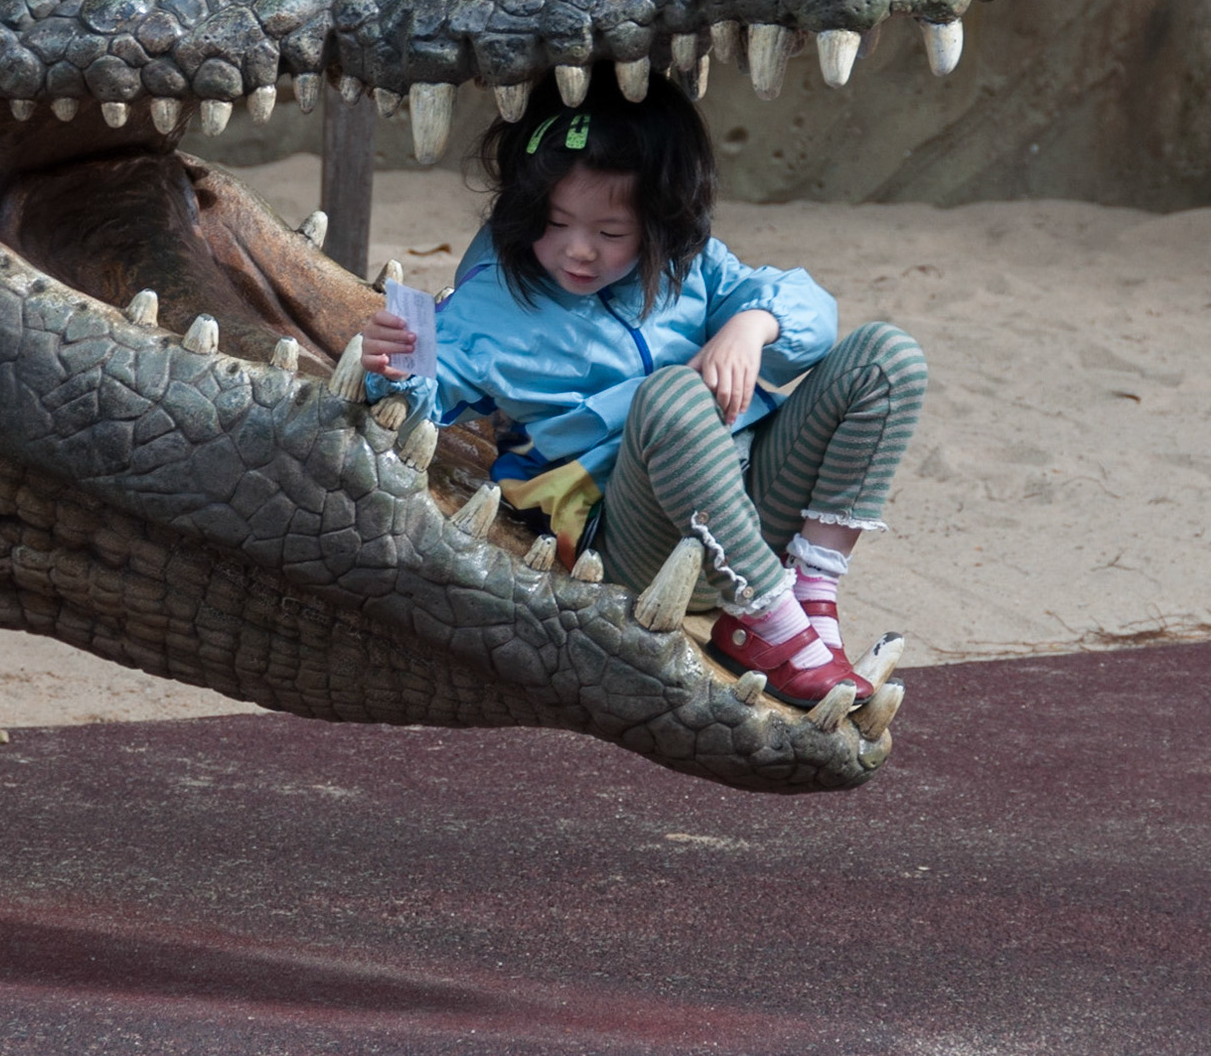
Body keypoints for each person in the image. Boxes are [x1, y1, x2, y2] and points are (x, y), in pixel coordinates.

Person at [358, 70, 926, 708]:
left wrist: (750, 325)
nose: (578, 251)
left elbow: (809, 313)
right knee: (672, 395)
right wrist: (395, 363)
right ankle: (769, 618)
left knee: (886, 357)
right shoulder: (497, 301)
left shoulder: (690, 267)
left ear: (659, 223)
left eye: (610, 234)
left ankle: (811, 591)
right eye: (555, 222)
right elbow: (426, 389)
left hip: (746, 506)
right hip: (638, 541)